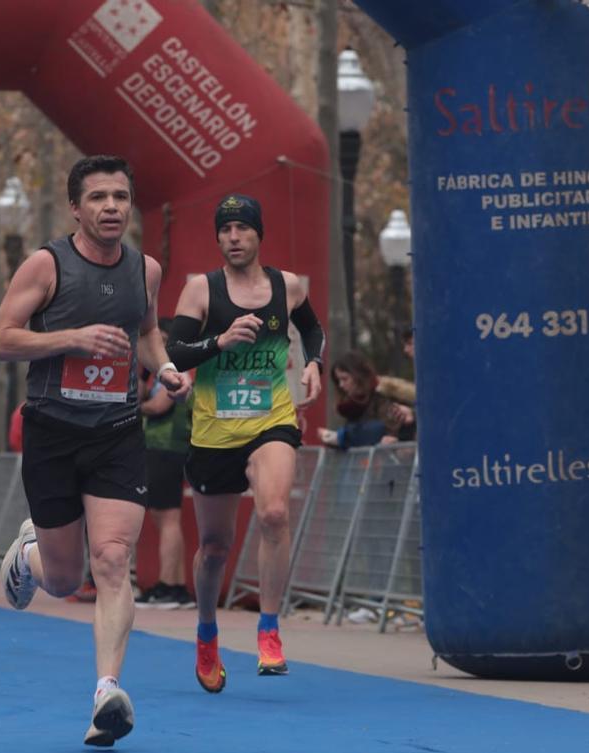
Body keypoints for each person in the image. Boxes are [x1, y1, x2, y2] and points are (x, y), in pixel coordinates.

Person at [0, 155, 190, 747]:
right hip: (52, 431)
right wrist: (71, 337)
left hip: (115, 431)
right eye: (99, 197)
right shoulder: (46, 265)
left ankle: (107, 691)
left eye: (121, 197)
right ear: (76, 207)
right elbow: (2, 339)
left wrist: (168, 368)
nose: (111, 207)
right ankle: (28, 558)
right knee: (63, 577)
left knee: (111, 560)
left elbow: (148, 332)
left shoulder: (146, 270)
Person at [164, 193, 324, 693]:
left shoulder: (287, 286)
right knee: (214, 546)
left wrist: (315, 362)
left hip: (271, 418)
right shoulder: (201, 292)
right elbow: (173, 350)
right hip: (214, 430)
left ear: (259, 234)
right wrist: (219, 341)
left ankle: (270, 629)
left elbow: (312, 328)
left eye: (242, 229)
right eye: (225, 231)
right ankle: (208, 633)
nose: (233, 238)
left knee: (274, 513)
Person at [135, 317, 196, 610]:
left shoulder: (178, 367)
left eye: (159, 338)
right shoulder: (155, 371)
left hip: (168, 445)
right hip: (159, 446)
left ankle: (170, 586)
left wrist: (133, 409)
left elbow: (160, 405)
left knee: (167, 516)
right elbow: (144, 395)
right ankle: (174, 585)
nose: (153, 344)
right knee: (163, 517)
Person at [317, 350, 415, 449]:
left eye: (344, 379)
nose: (341, 385)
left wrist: (341, 438)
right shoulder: (350, 407)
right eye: (338, 381)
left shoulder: (382, 395)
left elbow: (386, 429)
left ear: (358, 375)